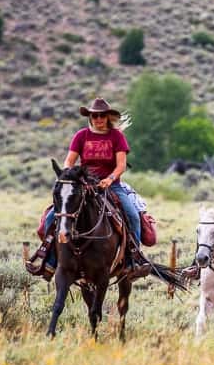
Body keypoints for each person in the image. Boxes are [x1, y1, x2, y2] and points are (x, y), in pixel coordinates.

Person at [29, 98, 150, 281]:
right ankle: (50, 260)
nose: (98, 119)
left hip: (112, 185)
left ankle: (133, 260)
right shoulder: (81, 136)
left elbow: (121, 166)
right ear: (90, 117)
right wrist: (70, 176)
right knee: (52, 217)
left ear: (108, 117)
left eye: (102, 115)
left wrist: (109, 179)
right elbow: (69, 161)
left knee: (132, 215)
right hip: (84, 184)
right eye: (95, 115)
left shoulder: (116, 137)